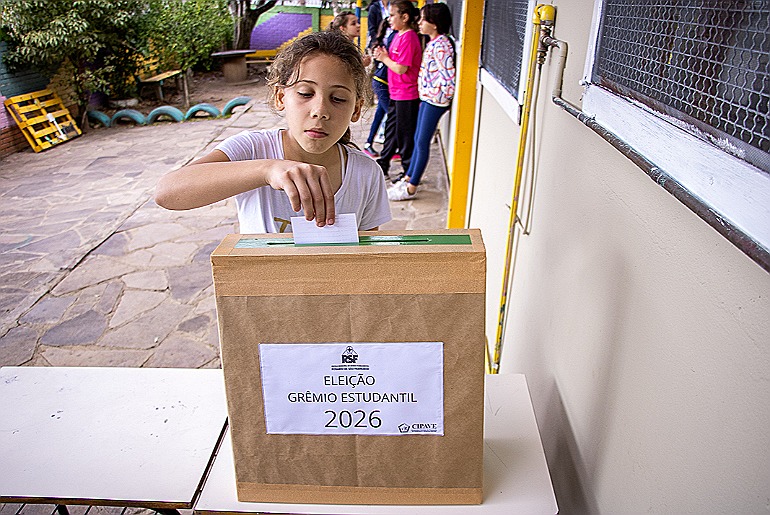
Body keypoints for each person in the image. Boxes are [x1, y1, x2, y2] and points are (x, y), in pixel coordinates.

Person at [154, 31, 391, 233]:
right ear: (281, 97)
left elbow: (366, 258)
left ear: (356, 109)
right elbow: (167, 192)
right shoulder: (252, 149)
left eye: (338, 98)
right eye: (306, 94)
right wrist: (267, 170)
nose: (320, 111)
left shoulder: (366, 173)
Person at [388, 2, 455, 201]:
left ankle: (411, 187)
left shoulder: (442, 45)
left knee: (422, 141)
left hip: (434, 101)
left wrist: (439, 97)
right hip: (427, 99)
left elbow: (448, 77)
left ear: (434, 23)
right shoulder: (434, 42)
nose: (420, 22)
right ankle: (409, 177)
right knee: (418, 139)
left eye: (424, 19)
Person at [371, 0, 422, 180]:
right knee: (391, 130)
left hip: (407, 94)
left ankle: (408, 172)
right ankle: (383, 163)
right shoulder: (398, 34)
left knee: (405, 135)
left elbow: (401, 68)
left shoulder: (409, 37)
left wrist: (384, 58)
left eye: (393, 15)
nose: (389, 19)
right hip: (396, 92)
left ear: (405, 17)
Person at [363, 19, 395, 158]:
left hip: (382, 82)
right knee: (393, 117)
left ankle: (369, 143)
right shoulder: (386, 43)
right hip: (381, 82)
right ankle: (391, 147)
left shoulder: (385, 42)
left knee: (380, 114)